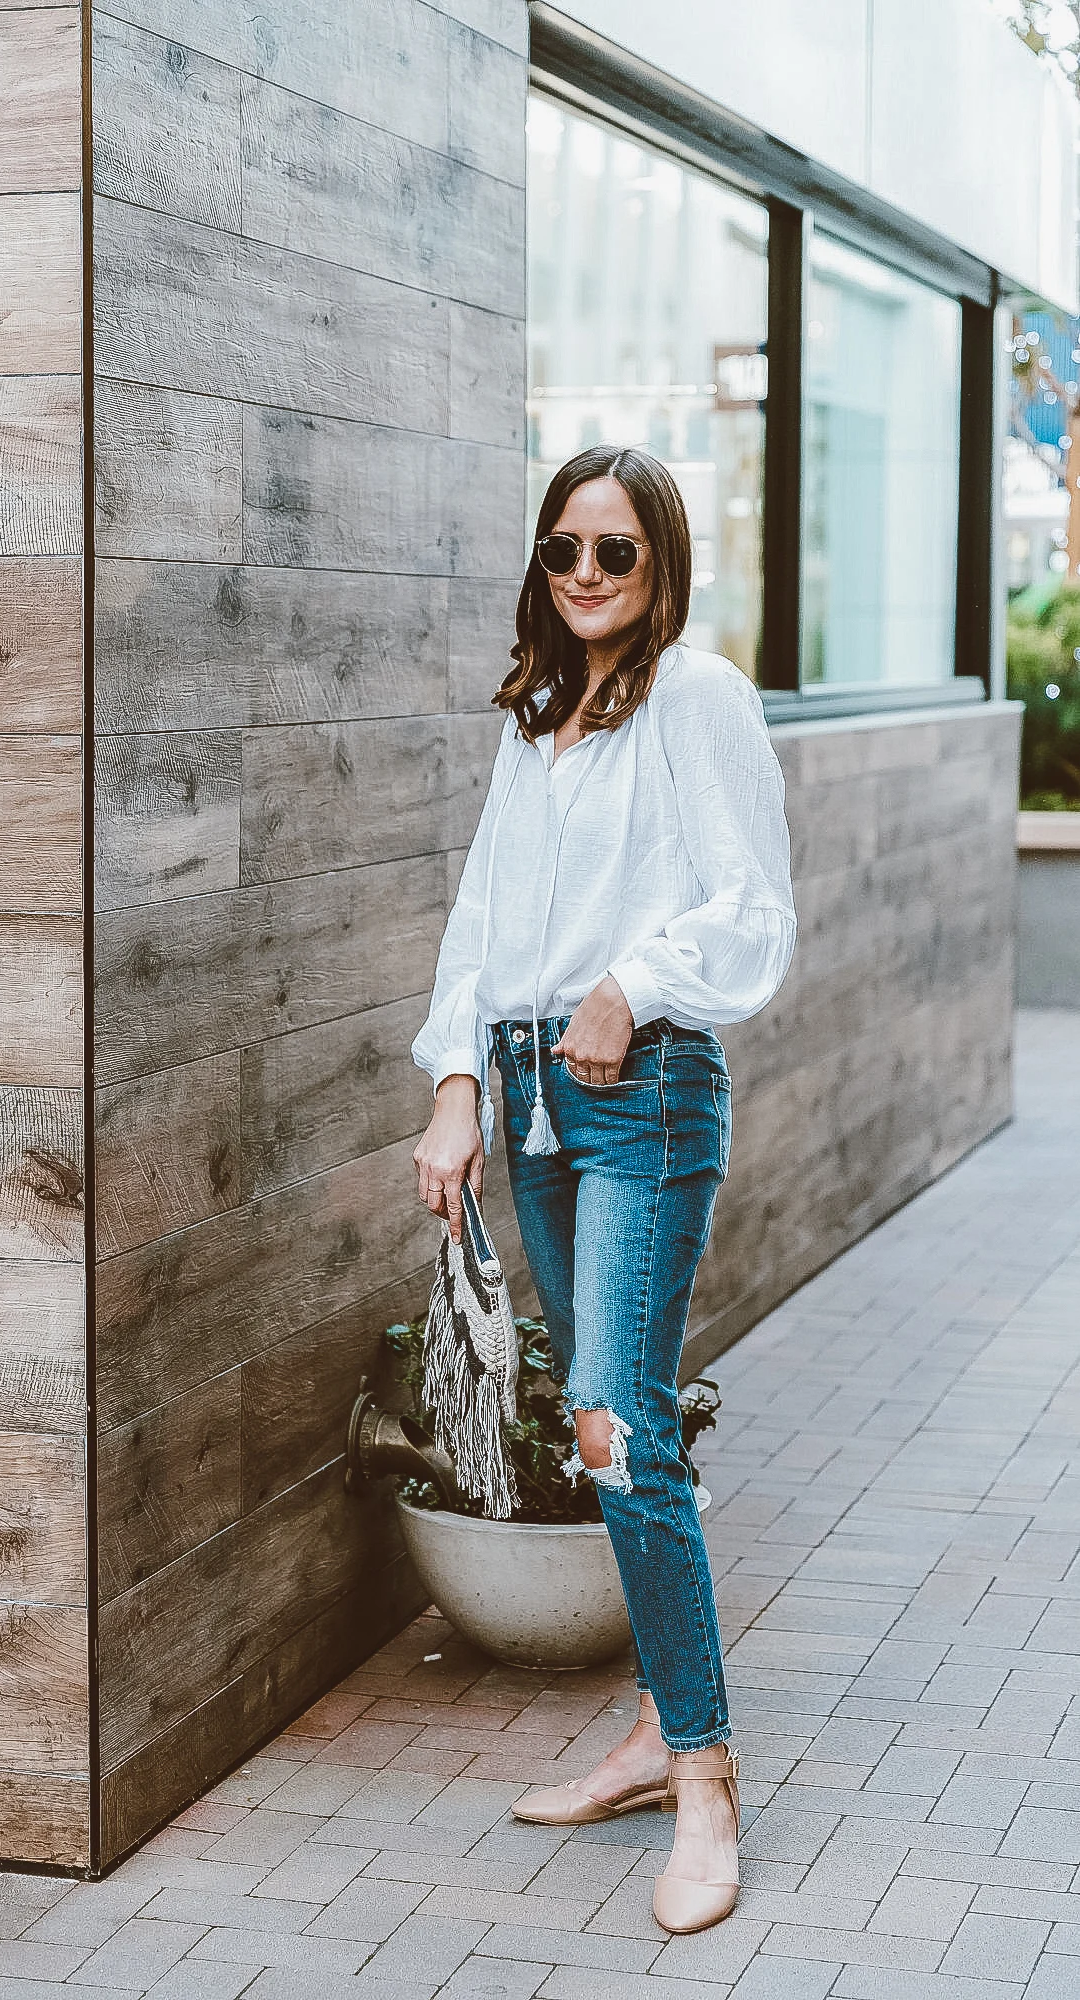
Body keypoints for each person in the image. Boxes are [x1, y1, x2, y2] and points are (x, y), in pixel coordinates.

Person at [411, 444, 796, 1935]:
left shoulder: (695, 698)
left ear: (661, 567)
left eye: (615, 553)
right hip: (526, 1093)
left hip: (639, 1096)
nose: (585, 575)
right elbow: (482, 922)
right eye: (564, 549)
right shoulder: (538, 716)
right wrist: (457, 1086)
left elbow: (753, 904)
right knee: (597, 1418)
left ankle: (701, 1773)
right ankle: (655, 1734)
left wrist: (633, 985)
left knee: (625, 1426)